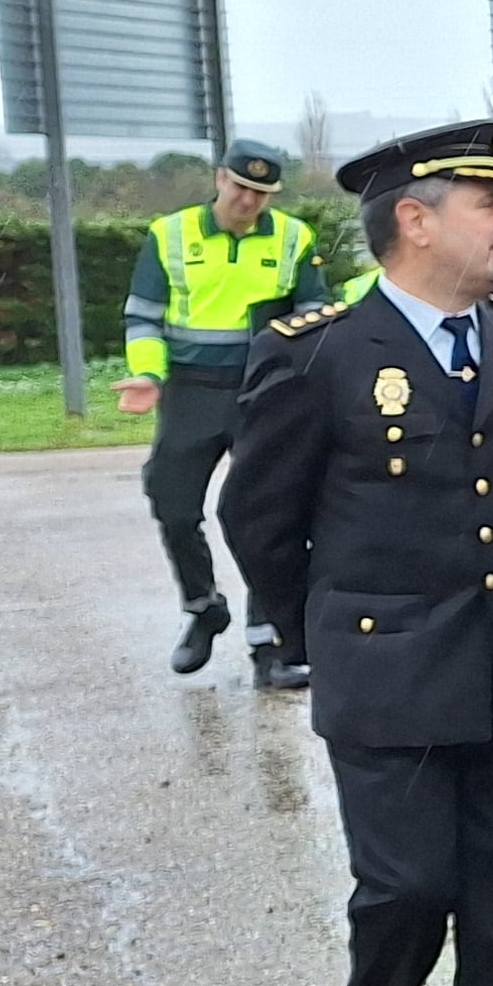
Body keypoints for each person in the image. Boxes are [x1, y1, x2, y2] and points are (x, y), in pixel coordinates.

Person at [221, 121, 493, 986]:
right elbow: (260, 522)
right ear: (414, 221)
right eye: (489, 204)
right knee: (409, 887)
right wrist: (324, 632)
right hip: (386, 668)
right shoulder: (317, 350)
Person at [118, 136, 320, 681]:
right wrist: (147, 374)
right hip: (190, 386)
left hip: (264, 389)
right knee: (173, 503)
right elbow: (143, 317)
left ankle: (271, 646)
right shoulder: (171, 234)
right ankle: (204, 607)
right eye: (241, 187)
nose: (249, 201)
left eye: (262, 192)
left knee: (268, 515)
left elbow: (315, 315)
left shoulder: (294, 237)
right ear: (219, 180)